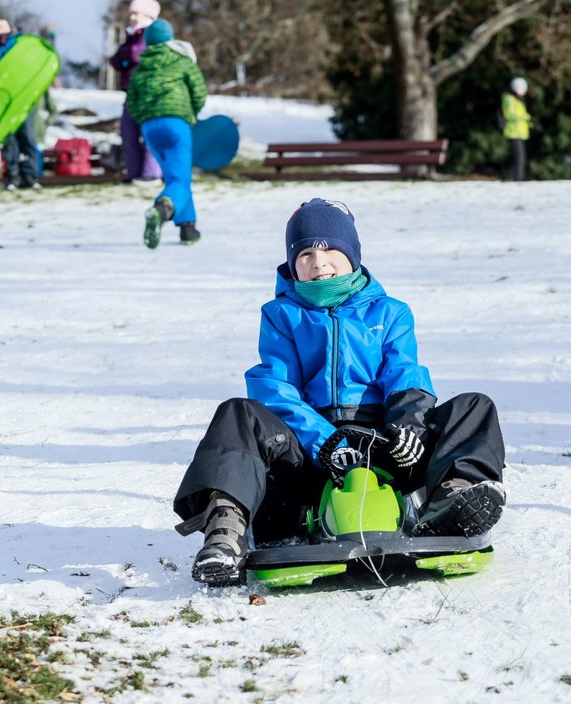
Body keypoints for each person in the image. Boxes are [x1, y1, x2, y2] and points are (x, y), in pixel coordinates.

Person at [173, 198, 507, 586]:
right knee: (237, 413)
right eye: (305, 253)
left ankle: (451, 501)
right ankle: (226, 532)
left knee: (473, 407)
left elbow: (404, 371)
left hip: (387, 444)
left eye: (330, 248)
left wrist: (408, 427)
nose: (319, 262)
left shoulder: (390, 312)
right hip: (313, 455)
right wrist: (325, 442)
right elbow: (275, 387)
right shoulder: (280, 315)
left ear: (352, 254)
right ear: (291, 263)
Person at [125, 18, 207, 248]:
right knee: (180, 178)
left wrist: (144, 119)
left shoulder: (141, 68)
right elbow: (199, 91)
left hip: (150, 128)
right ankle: (161, 209)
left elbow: (132, 101)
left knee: (175, 176)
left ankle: (188, 228)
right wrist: (192, 113)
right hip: (176, 123)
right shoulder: (182, 61)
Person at [0, 5, 40, 191]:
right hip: (1, 102)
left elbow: (32, 68)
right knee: (8, 140)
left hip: (23, 100)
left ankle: (30, 176)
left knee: (27, 137)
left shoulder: (23, 44)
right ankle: (12, 177)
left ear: (8, 22)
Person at [109, 0, 163, 183]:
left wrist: (127, 57)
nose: (132, 18)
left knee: (149, 132)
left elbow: (136, 54)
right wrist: (125, 57)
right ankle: (133, 172)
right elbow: (116, 60)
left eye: (136, 14)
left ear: (148, 15)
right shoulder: (131, 35)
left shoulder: (153, 34)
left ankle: (151, 174)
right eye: (131, 14)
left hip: (148, 93)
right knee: (128, 132)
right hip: (130, 92)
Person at [501, 76, 531, 181]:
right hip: (513, 133)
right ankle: (518, 180)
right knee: (519, 159)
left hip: (520, 134)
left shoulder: (519, 101)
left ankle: (512, 178)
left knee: (519, 158)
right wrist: (526, 117)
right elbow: (510, 114)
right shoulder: (509, 99)